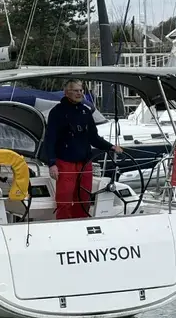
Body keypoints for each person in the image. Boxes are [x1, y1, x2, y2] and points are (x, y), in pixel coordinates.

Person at [44, 79, 124, 220]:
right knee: (65, 199)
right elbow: (50, 140)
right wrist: (52, 163)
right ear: (66, 92)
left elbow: (93, 137)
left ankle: (81, 223)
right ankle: (63, 226)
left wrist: (110, 147)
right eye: (76, 90)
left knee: (84, 198)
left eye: (81, 90)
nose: (79, 93)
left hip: (85, 162)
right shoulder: (56, 112)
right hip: (65, 162)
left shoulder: (85, 112)